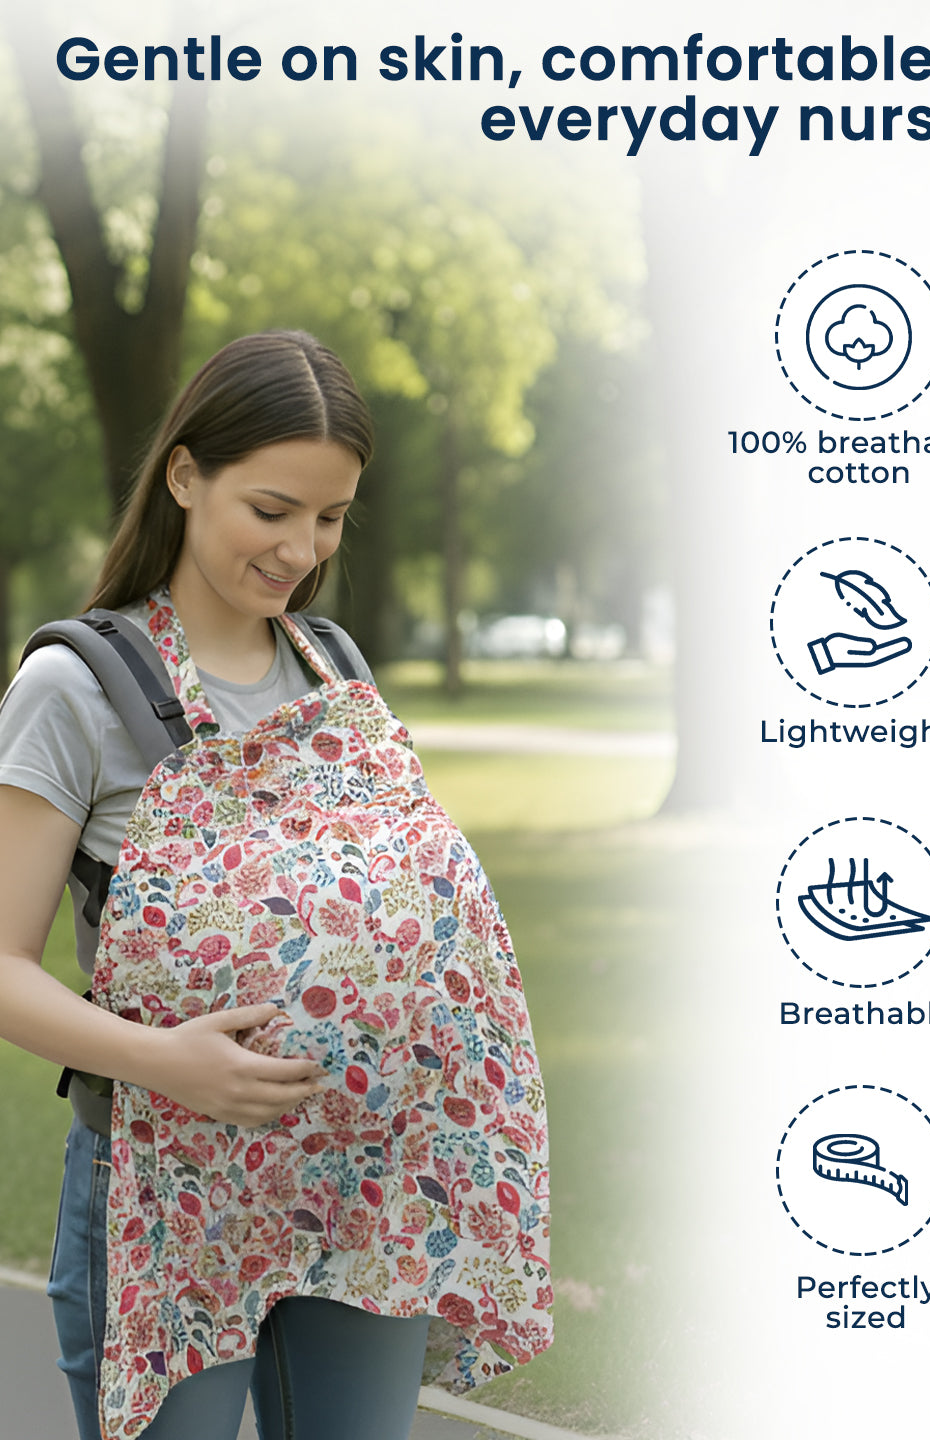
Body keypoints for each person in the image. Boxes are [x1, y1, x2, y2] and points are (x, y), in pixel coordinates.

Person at [0, 332, 552, 1440]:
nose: (302, 546)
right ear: (186, 474)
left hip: (363, 1188)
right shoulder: (75, 689)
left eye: (331, 516)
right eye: (271, 509)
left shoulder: (334, 669)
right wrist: (169, 1063)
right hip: (166, 1195)